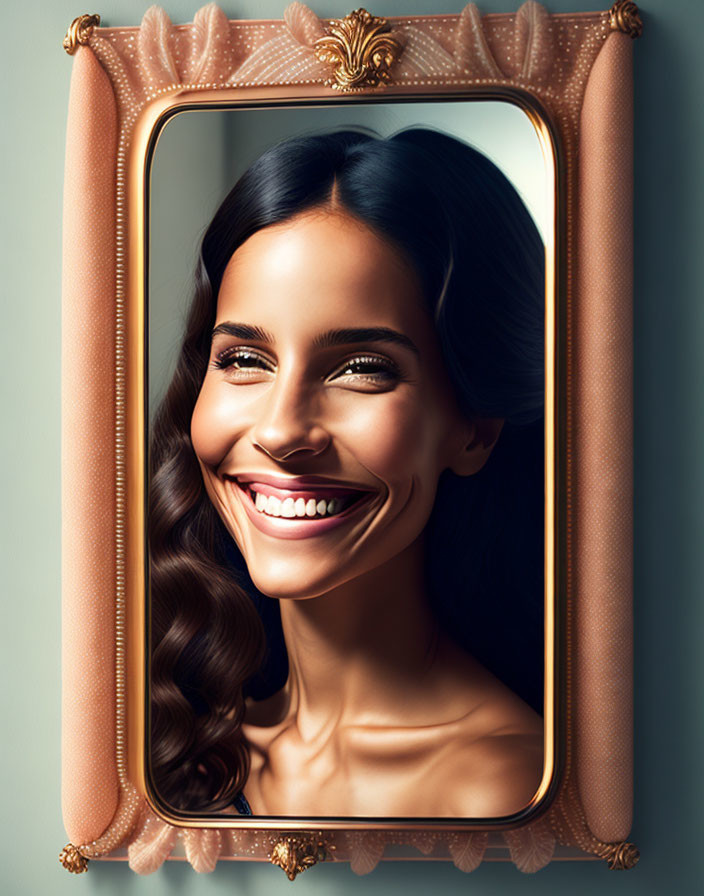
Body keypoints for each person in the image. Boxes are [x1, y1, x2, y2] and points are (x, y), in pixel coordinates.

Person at [149, 128, 545, 819]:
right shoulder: (181, 740)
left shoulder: (506, 787)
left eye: (363, 368)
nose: (280, 431)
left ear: (476, 429)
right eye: (243, 359)